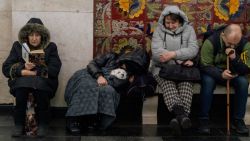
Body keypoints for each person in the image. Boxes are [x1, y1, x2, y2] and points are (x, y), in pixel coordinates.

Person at [64, 46, 155, 134]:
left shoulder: (131, 73)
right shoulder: (111, 56)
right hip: (91, 75)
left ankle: (93, 119)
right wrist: (99, 76)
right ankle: (74, 119)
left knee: (108, 91)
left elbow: (124, 86)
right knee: (87, 85)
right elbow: (92, 64)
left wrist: (131, 80)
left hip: (108, 83)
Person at [2, 18, 62, 137]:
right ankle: (18, 124)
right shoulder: (18, 46)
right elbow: (6, 68)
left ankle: (43, 124)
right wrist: (22, 68)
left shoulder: (51, 47)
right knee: (21, 88)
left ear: (42, 36)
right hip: (22, 80)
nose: (34, 38)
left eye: (37, 35)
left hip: (43, 81)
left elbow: (55, 69)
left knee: (40, 87)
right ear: (27, 36)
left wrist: (36, 70)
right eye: (31, 35)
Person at [150, 5, 199, 134]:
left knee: (186, 86)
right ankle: (183, 117)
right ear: (163, 21)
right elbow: (156, 52)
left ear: (180, 21)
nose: (170, 25)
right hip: (162, 69)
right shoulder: (158, 31)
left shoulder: (189, 30)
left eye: (173, 22)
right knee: (168, 86)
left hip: (183, 70)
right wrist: (181, 57)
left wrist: (173, 55)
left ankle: (178, 120)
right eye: (168, 22)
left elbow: (193, 49)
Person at [198, 24, 250, 135]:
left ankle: (238, 120)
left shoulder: (245, 44)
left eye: (235, 45)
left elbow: (246, 68)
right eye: (229, 43)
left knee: (243, 83)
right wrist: (220, 74)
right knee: (207, 82)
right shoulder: (210, 42)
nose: (232, 47)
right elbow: (205, 65)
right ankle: (203, 119)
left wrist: (235, 58)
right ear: (223, 36)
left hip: (234, 71)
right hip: (213, 71)